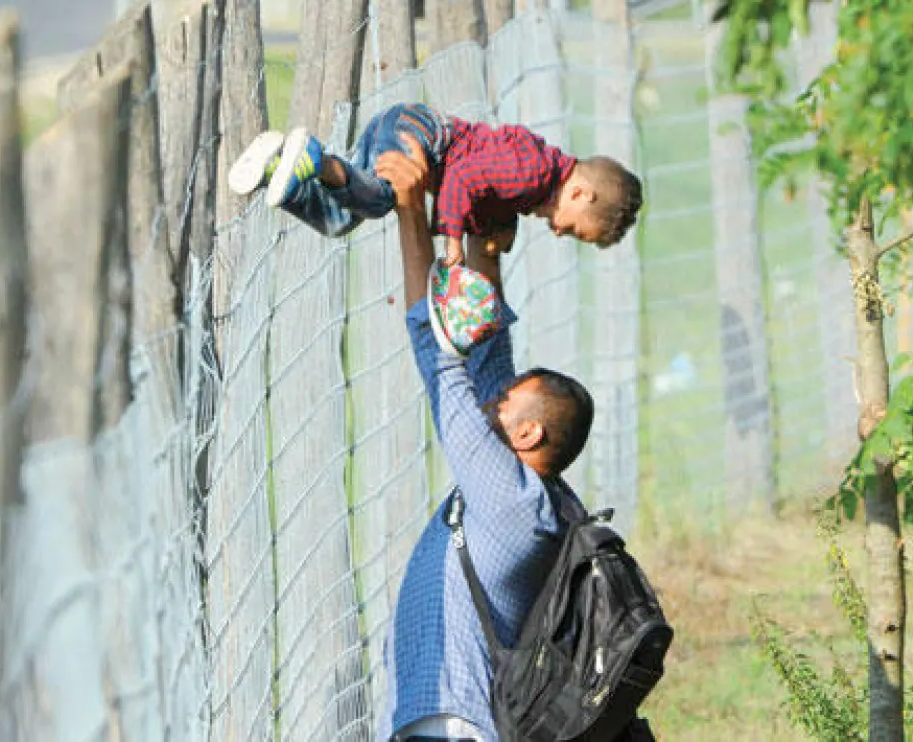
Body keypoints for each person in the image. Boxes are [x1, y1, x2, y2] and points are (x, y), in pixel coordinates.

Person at [373, 135, 598, 742]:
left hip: (453, 727)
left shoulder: (509, 501)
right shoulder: (533, 490)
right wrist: (484, 248)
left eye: (505, 402)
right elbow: (488, 360)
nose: (492, 400)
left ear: (528, 431)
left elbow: (442, 363)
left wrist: (411, 212)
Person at [226, 102, 643, 266]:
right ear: (581, 194)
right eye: (570, 227)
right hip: (421, 135)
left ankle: (276, 165)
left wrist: (494, 227)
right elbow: (463, 176)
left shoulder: (535, 178)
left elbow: (484, 190)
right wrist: (453, 240)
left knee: (340, 219)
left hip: (409, 125)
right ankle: (316, 160)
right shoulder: (532, 173)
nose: (556, 229)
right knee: (381, 200)